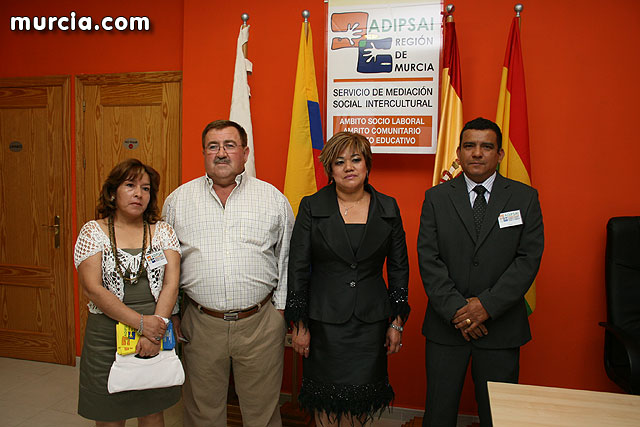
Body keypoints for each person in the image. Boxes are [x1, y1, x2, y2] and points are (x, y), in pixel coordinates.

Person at [163, 120, 294, 427]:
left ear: (245, 153)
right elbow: (166, 265)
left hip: (260, 324)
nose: (221, 153)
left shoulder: (273, 199)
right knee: (202, 413)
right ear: (204, 153)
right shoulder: (178, 201)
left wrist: (279, 313)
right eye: (213, 146)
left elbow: (287, 257)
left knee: (262, 414)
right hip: (200, 324)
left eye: (230, 145)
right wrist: (173, 314)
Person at [417, 117, 544, 427]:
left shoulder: (524, 198)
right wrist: (460, 311)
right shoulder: (436, 198)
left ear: (499, 154)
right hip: (446, 327)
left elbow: (527, 259)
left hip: (500, 328)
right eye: (469, 146)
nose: (477, 153)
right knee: (438, 415)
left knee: (498, 418)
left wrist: (485, 306)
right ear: (458, 153)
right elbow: (429, 258)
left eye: (486, 147)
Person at [285, 131, 410, 426]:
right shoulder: (312, 207)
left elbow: (399, 269)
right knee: (326, 403)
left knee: (359, 404)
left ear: (367, 165)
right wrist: (299, 326)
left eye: (356, 159)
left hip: (370, 325)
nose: (349, 167)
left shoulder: (388, 208)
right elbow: (298, 269)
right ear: (330, 169)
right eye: (339, 162)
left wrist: (396, 322)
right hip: (324, 323)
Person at [74, 158, 181, 427]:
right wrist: (142, 324)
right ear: (112, 192)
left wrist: (155, 330)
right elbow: (93, 289)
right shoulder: (93, 232)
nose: (139, 194)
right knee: (110, 415)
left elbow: (171, 284)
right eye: (130, 185)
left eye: (146, 188)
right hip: (106, 338)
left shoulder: (163, 232)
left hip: (156, 332)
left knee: (152, 413)